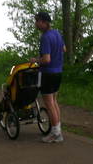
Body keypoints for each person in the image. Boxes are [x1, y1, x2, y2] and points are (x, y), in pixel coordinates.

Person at [30, 11, 66, 143]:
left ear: (44, 22)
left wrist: (35, 60)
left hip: (48, 73)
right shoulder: (57, 33)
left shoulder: (45, 37)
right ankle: (57, 130)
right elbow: (64, 49)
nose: (35, 23)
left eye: (37, 21)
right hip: (58, 72)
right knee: (54, 102)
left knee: (49, 104)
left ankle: (56, 134)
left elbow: (46, 59)